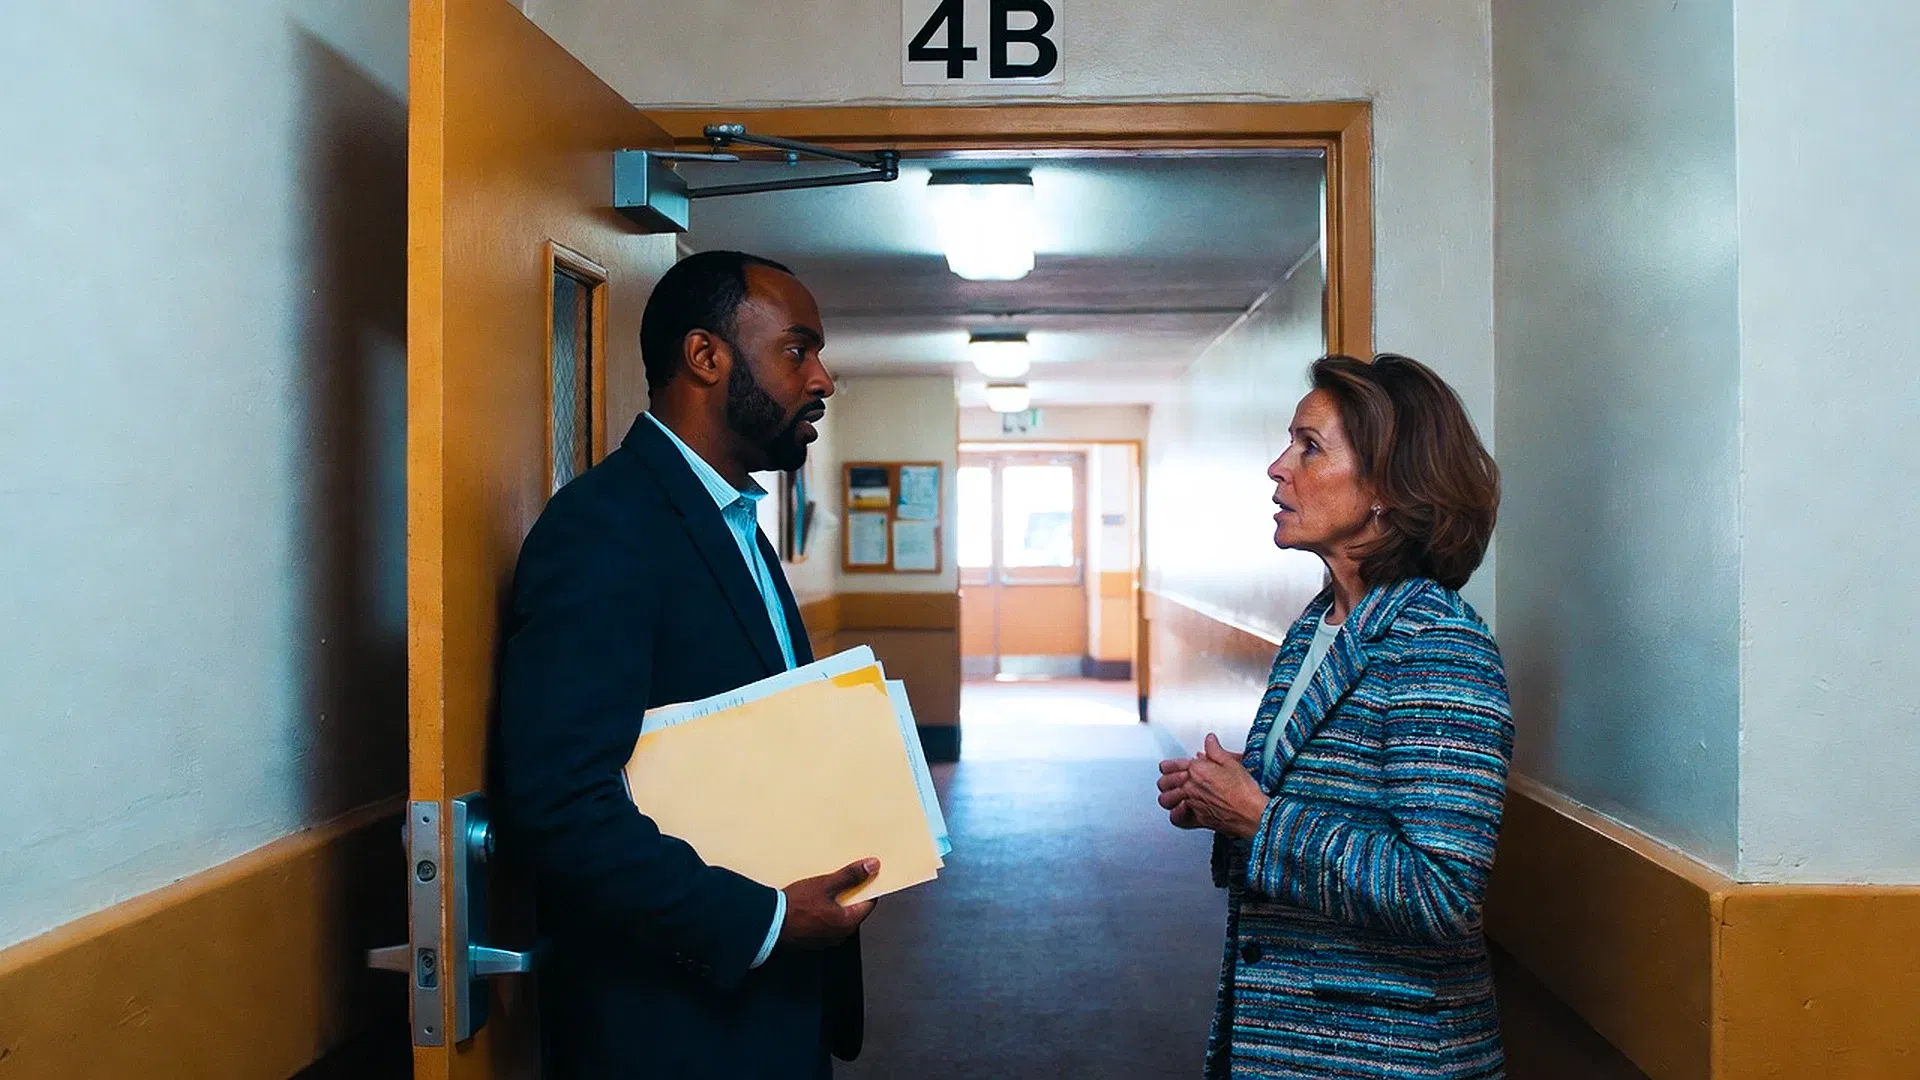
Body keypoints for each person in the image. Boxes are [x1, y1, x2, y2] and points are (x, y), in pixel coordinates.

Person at [496, 251, 874, 1079]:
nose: (822, 379)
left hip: (766, 1009)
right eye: (797, 350)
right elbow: (559, 804)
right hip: (671, 1025)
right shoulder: (605, 530)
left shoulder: (735, 522)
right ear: (707, 358)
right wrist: (765, 922)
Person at [1156, 353, 1513, 1080]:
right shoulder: (1317, 628)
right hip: (1295, 1038)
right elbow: (1309, 806)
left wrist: (1260, 818)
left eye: (1308, 446)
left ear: (1386, 486)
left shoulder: (1440, 645)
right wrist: (1220, 800)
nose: (1277, 467)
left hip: (1388, 1056)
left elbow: (1440, 893)